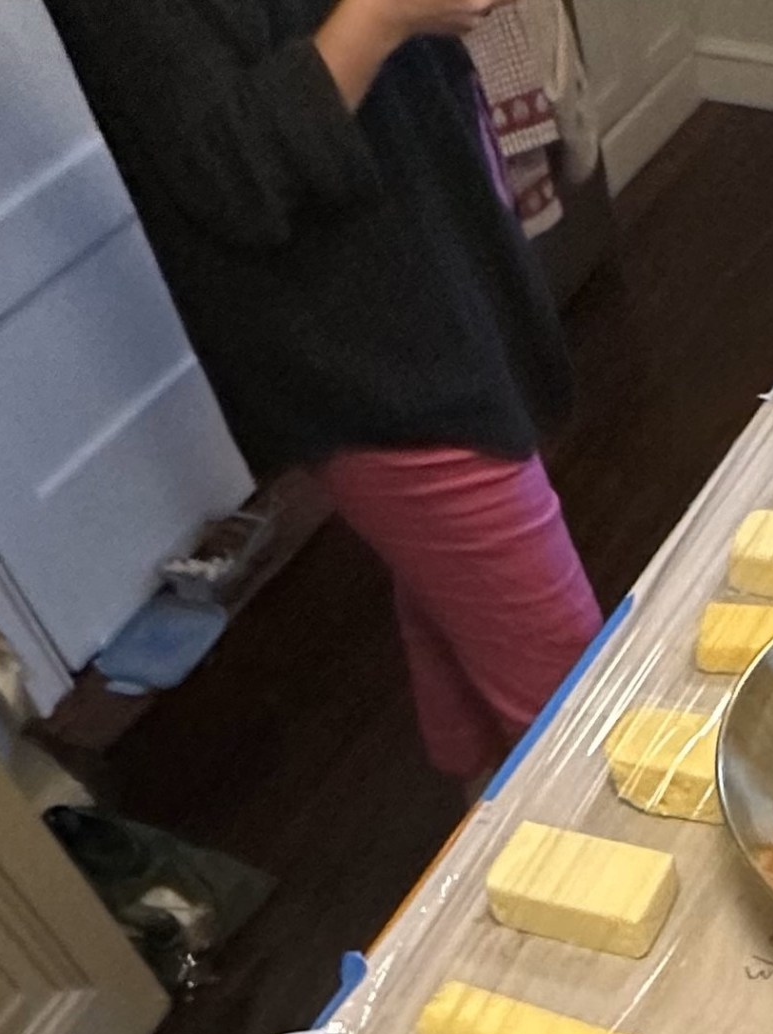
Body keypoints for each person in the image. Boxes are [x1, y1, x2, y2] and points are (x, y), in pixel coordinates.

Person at [42, 0, 603, 789]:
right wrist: (386, 14)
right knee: (583, 714)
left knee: (452, 598)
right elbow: (234, 172)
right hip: (367, 348)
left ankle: (485, 836)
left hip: (438, 261)